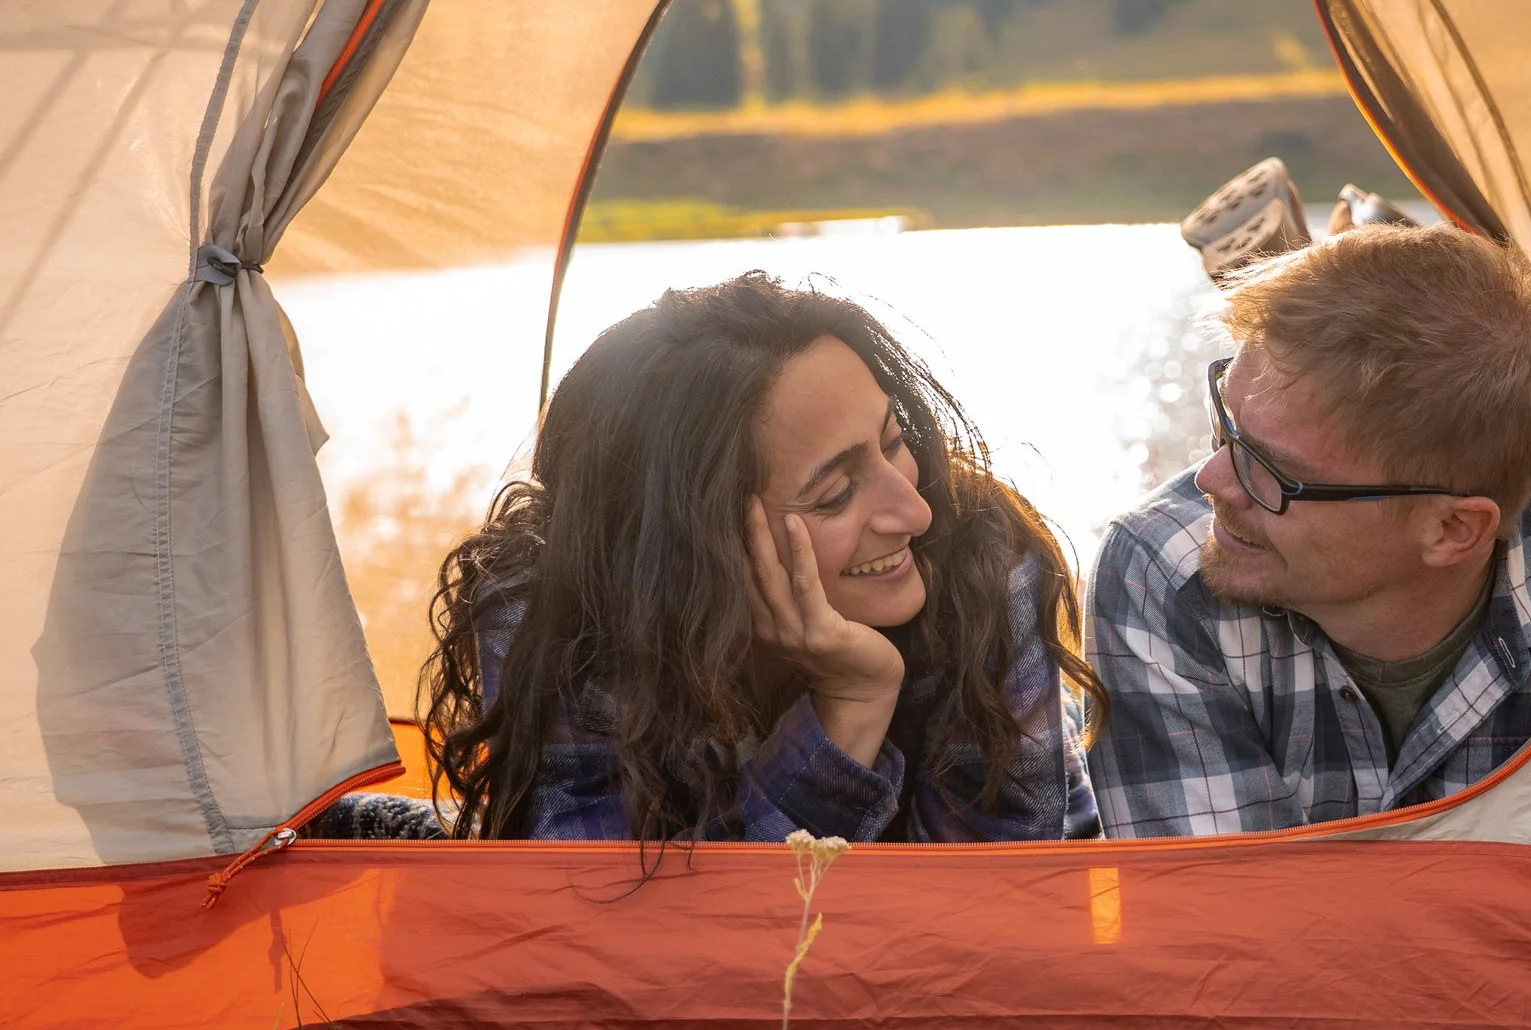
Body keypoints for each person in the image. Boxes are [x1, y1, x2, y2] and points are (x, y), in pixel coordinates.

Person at [422, 274, 1103, 843]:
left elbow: (989, 913)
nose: (914, 511)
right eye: (834, 495)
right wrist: (849, 710)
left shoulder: (982, 563)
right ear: (688, 539)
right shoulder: (558, 603)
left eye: (895, 441)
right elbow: (610, 930)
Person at [1086, 222, 1531, 837]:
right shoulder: (1162, 570)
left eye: (1277, 472)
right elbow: (1224, 914)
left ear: (1452, 529)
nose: (1212, 481)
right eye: (1229, 422)